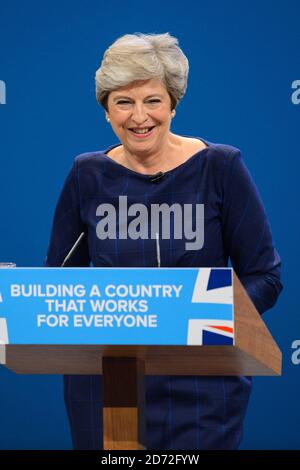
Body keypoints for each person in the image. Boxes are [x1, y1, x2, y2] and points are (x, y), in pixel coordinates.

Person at [45, 32, 283, 450]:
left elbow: (265, 277)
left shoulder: (220, 167)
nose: (139, 117)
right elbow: (58, 284)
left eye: (152, 100)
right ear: (106, 111)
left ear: (173, 103)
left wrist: (193, 316)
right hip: (106, 387)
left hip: (201, 384)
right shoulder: (86, 175)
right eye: (123, 102)